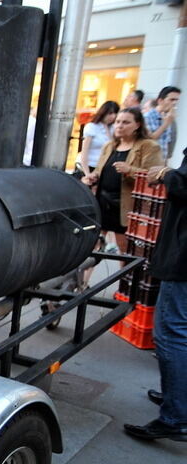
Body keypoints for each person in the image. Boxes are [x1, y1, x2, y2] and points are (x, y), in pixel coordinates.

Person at [123, 149, 187, 442]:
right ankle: (178, 398)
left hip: (184, 259)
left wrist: (165, 174)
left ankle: (175, 416)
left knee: (172, 333)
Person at [81, 107, 163, 251]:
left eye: (126, 122)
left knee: (126, 250)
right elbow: (100, 170)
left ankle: (126, 274)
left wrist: (130, 170)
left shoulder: (148, 146)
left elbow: (155, 175)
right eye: (117, 121)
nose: (119, 125)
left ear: (137, 125)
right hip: (103, 203)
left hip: (128, 207)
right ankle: (84, 274)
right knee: (92, 248)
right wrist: (93, 177)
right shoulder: (110, 145)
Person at [79, 101, 119, 178]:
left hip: (106, 167)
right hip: (91, 165)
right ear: (103, 113)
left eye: (115, 113)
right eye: (110, 113)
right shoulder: (92, 127)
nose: (113, 116)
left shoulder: (113, 128)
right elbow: (84, 152)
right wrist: (87, 173)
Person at [144, 86, 180, 162]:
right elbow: (151, 138)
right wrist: (166, 123)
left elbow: (169, 142)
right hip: (148, 161)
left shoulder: (168, 118)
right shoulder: (147, 117)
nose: (174, 103)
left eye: (176, 100)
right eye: (172, 100)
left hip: (161, 162)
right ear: (160, 101)